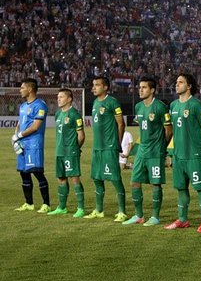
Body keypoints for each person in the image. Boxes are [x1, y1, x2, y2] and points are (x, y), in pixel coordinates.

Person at [164, 73, 201, 232]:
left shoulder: (196, 105)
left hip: (194, 155)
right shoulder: (173, 106)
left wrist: (197, 145)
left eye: (181, 82)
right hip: (178, 155)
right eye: (176, 82)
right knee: (181, 188)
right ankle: (183, 219)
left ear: (189, 86)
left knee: (200, 188)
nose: (177, 84)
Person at [122, 77, 172, 226]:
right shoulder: (138, 107)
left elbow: (169, 129)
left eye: (144, 87)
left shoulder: (160, 107)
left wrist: (162, 146)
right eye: (140, 87)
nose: (140, 90)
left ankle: (155, 217)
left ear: (152, 90)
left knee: (155, 184)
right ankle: (138, 215)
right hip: (142, 151)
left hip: (156, 152)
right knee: (134, 182)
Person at [84, 76, 127, 222]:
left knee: (115, 179)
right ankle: (99, 210)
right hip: (97, 147)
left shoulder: (112, 101)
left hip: (109, 147)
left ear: (105, 87)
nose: (93, 87)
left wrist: (118, 143)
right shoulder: (96, 102)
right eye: (93, 85)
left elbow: (121, 124)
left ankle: (122, 211)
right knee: (97, 178)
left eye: (97, 85)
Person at [12, 78, 50, 213]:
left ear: (30, 89)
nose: (20, 90)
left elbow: (36, 126)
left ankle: (46, 204)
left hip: (33, 143)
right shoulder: (22, 106)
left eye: (22, 88)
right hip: (22, 143)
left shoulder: (40, 105)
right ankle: (29, 203)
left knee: (37, 172)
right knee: (23, 173)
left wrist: (20, 135)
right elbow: (19, 122)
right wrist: (15, 136)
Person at [47, 88, 86, 217]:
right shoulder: (58, 114)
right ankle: (62, 207)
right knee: (61, 178)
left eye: (61, 97)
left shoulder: (74, 114)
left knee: (74, 178)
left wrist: (75, 148)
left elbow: (81, 135)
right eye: (58, 97)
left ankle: (80, 208)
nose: (58, 99)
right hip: (59, 151)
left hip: (70, 152)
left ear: (69, 99)